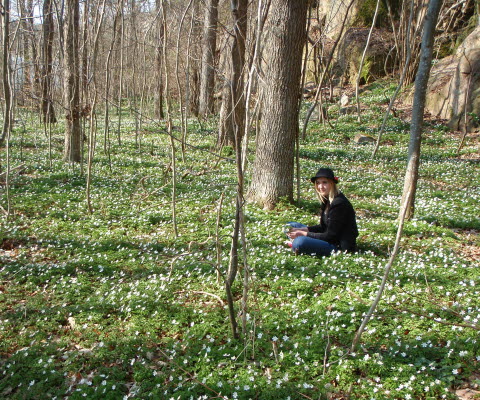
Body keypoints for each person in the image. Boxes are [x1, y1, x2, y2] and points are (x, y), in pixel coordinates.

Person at [285, 167, 358, 256]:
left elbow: (331, 236)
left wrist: (303, 234)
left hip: (337, 246)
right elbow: (323, 227)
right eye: (318, 183)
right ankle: (296, 243)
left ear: (332, 183)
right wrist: (302, 229)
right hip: (326, 237)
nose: (320, 187)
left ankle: (296, 244)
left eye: (324, 182)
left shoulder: (339, 204)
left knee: (300, 242)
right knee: (291, 226)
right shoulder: (327, 200)